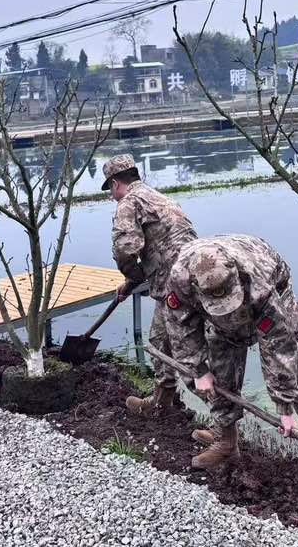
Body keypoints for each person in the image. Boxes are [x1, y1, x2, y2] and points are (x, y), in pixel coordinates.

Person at [164, 234, 298, 484]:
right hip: (214, 307)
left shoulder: (258, 284)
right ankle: (226, 442)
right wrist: (199, 370)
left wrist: (284, 407)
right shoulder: (181, 280)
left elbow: (279, 346)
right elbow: (180, 326)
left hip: (276, 291)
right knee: (218, 367)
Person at [103, 154, 198, 414]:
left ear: (115, 183)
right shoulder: (156, 196)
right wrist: (131, 282)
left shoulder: (128, 202)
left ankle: (225, 424)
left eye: (110, 189)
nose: (112, 195)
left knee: (186, 352)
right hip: (192, 275)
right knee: (159, 340)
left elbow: (125, 250)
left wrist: (133, 275)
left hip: (175, 285)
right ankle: (162, 400)